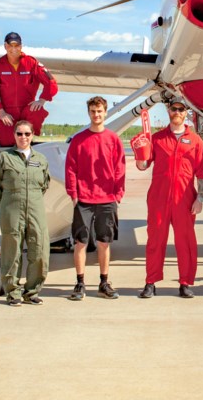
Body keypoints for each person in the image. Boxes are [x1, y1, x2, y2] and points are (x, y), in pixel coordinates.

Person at [136, 95, 203, 299]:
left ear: (186, 113)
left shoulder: (195, 140)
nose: (177, 112)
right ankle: (150, 282)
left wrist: (200, 198)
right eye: (173, 109)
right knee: (155, 240)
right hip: (159, 198)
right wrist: (139, 153)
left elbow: (202, 172)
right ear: (168, 111)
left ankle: (185, 282)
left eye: (180, 109)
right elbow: (144, 165)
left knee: (185, 241)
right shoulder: (158, 138)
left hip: (185, 199)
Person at [64, 96, 126, 300]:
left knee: (104, 242)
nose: (96, 115)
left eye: (99, 111)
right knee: (80, 242)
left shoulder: (113, 139)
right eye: (93, 111)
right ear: (89, 113)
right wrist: (73, 194)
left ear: (105, 112)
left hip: (107, 199)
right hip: (84, 199)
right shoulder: (79, 140)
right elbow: (70, 168)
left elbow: (120, 168)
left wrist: (118, 194)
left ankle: (103, 282)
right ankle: (80, 283)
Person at [0, 120, 51, 306]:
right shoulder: (4, 158)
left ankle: (32, 291)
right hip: (11, 209)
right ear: (14, 135)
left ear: (32, 136)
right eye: (19, 134)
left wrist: (31, 199)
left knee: (39, 249)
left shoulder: (41, 159)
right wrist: (8, 203)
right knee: (12, 251)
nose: (23, 137)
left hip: (35, 209)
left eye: (27, 134)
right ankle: (13, 292)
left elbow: (44, 185)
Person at [0, 31, 59, 147]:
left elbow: (51, 83)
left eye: (17, 45)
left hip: (26, 111)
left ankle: (30, 144)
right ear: (5, 46)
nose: (13, 49)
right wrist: (2, 113)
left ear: (21, 46)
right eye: (10, 45)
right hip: (7, 114)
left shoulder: (31, 63)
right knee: (7, 145)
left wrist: (42, 100)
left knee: (25, 141)